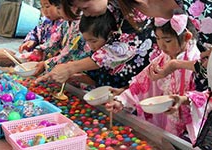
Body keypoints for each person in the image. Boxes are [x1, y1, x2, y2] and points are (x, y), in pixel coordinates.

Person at [105, 12, 202, 144]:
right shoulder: (163, 59)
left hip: (192, 128)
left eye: (167, 40)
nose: (162, 46)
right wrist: (121, 100)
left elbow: (204, 97)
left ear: (187, 37)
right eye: (158, 39)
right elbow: (141, 83)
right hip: (168, 122)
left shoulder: (199, 61)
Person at [36, 0, 158, 85]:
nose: (86, 14)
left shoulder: (133, 8)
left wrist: (70, 68)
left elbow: (123, 48)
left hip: (144, 75)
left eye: (85, 8)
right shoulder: (112, 6)